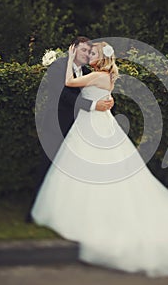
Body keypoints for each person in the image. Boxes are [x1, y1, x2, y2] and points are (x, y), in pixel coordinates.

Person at [31, 41, 168, 278]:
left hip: (93, 124)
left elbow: (70, 83)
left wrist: (70, 58)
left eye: (93, 53)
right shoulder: (103, 75)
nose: (89, 55)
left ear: (101, 58)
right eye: (87, 51)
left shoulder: (98, 75)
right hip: (94, 122)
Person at [26, 36, 114, 222]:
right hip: (57, 124)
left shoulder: (89, 70)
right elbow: (64, 96)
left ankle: (68, 212)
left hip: (80, 129)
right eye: (83, 50)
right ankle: (34, 213)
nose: (86, 54)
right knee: (48, 167)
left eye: (89, 51)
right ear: (72, 49)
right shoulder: (58, 67)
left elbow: (100, 90)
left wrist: (109, 101)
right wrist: (93, 106)